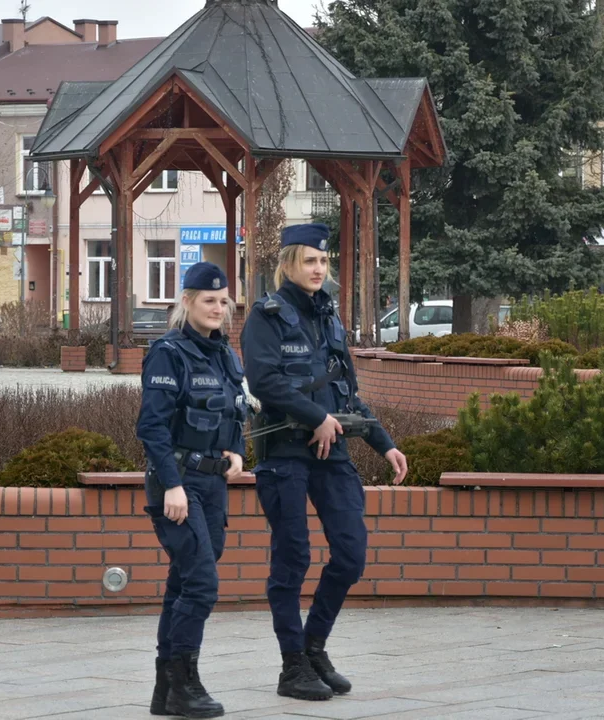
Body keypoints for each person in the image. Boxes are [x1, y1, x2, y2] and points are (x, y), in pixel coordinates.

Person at [241, 223, 408, 701]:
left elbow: (348, 395)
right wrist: (316, 416)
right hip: (285, 453)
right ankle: (291, 665)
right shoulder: (266, 317)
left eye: (323, 261)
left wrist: (385, 443)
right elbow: (264, 382)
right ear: (288, 263)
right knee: (293, 558)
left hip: (332, 453)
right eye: (309, 260)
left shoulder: (331, 318)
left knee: (352, 554)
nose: (318, 269)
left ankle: (314, 647)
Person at [136, 261, 247, 719]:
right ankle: (185, 684)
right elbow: (152, 427)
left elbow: (235, 409)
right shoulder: (168, 352)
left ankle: (165, 690)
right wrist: (173, 486)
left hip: (213, 481)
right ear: (187, 301)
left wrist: (236, 450)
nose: (218, 308)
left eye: (224, 302)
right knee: (202, 583)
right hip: (178, 484)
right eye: (209, 301)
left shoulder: (225, 353)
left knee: (183, 581)